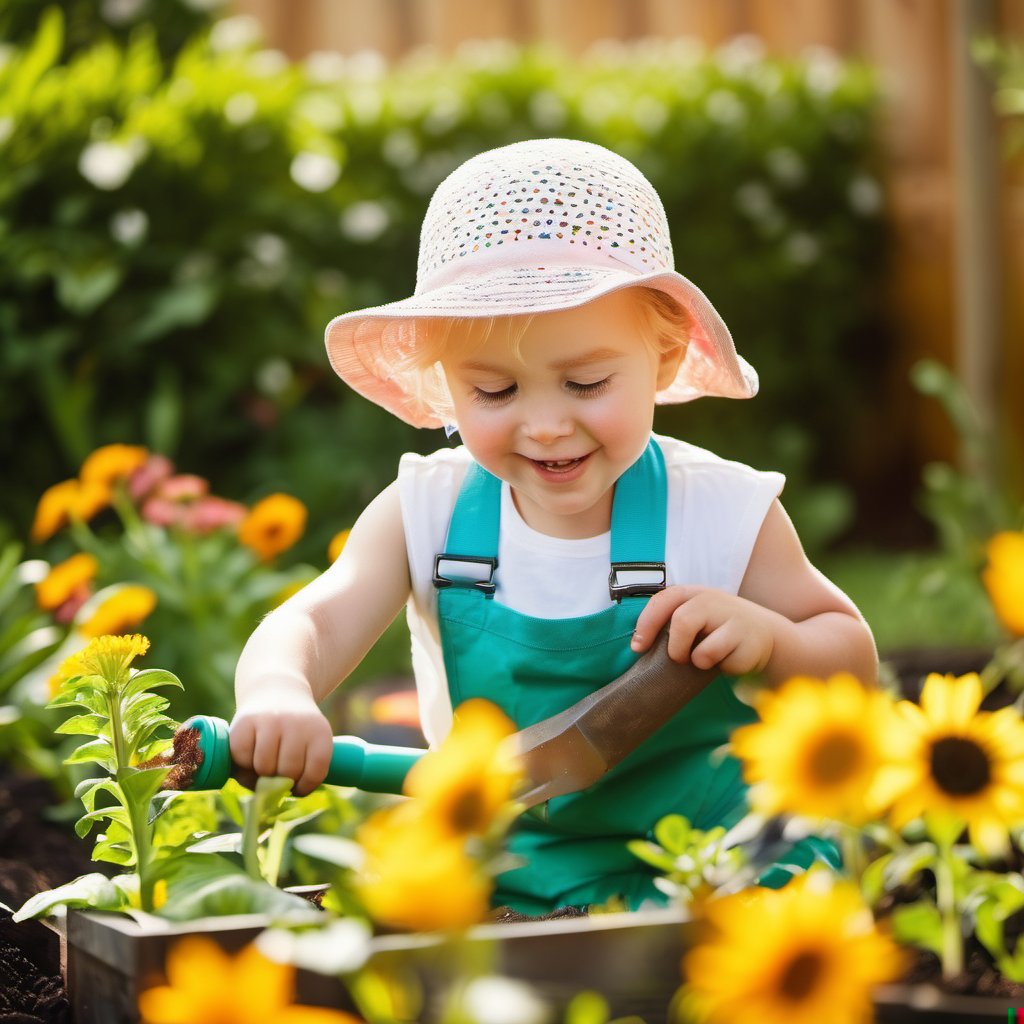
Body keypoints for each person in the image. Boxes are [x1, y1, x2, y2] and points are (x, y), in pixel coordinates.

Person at [231, 138, 877, 913]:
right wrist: (277, 688)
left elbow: (851, 665)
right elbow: (314, 617)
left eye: (586, 382)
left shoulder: (718, 511)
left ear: (664, 358)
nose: (544, 425)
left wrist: (770, 640)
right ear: (445, 387)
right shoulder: (426, 515)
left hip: (716, 859)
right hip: (513, 864)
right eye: (495, 392)